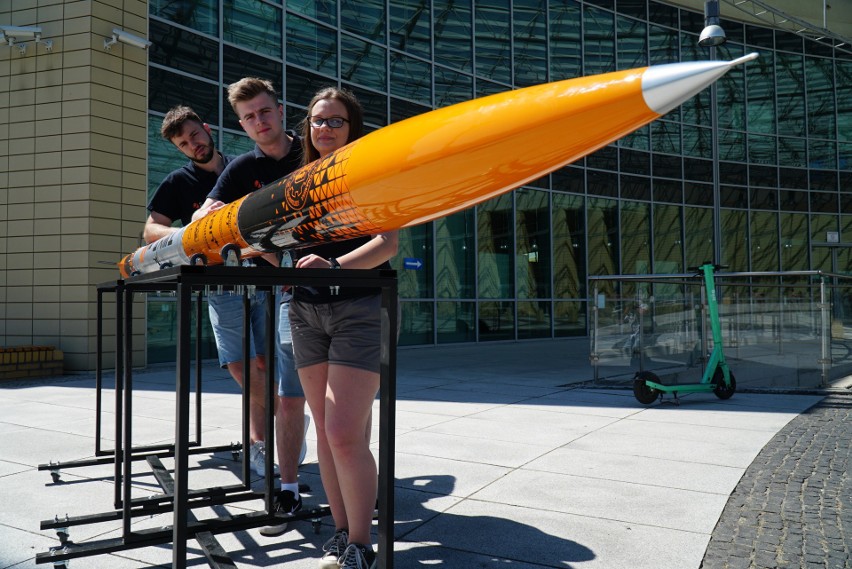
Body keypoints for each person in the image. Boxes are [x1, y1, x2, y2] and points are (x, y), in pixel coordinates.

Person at [193, 77, 309, 536]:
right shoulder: (241, 168)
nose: (259, 122)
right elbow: (207, 213)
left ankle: (341, 474)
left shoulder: (314, 149)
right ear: (241, 124)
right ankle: (290, 479)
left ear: (280, 110)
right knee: (289, 389)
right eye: (248, 117)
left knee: (327, 393)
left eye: (264, 111)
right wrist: (211, 215)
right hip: (284, 291)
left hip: (335, 284)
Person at [289, 87, 398, 569]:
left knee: (342, 432)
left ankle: (361, 544)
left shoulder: (372, 170)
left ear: (352, 127)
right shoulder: (300, 179)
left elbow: (387, 243)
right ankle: (339, 534)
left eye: (335, 121)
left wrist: (333, 268)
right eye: (317, 121)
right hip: (305, 312)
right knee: (329, 433)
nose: (325, 129)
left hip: (358, 309)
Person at [145, 106, 274, 481]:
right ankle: (286, 412)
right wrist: (193, 229)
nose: (192, 145)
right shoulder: (177, 182)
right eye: (183, 144)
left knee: (264, 364)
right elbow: (150, 230)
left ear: (206, 127)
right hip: (221, 283)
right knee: (239, 364)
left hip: (266, 277)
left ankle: (258, 443)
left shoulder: (243, 167)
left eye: (194, 135)